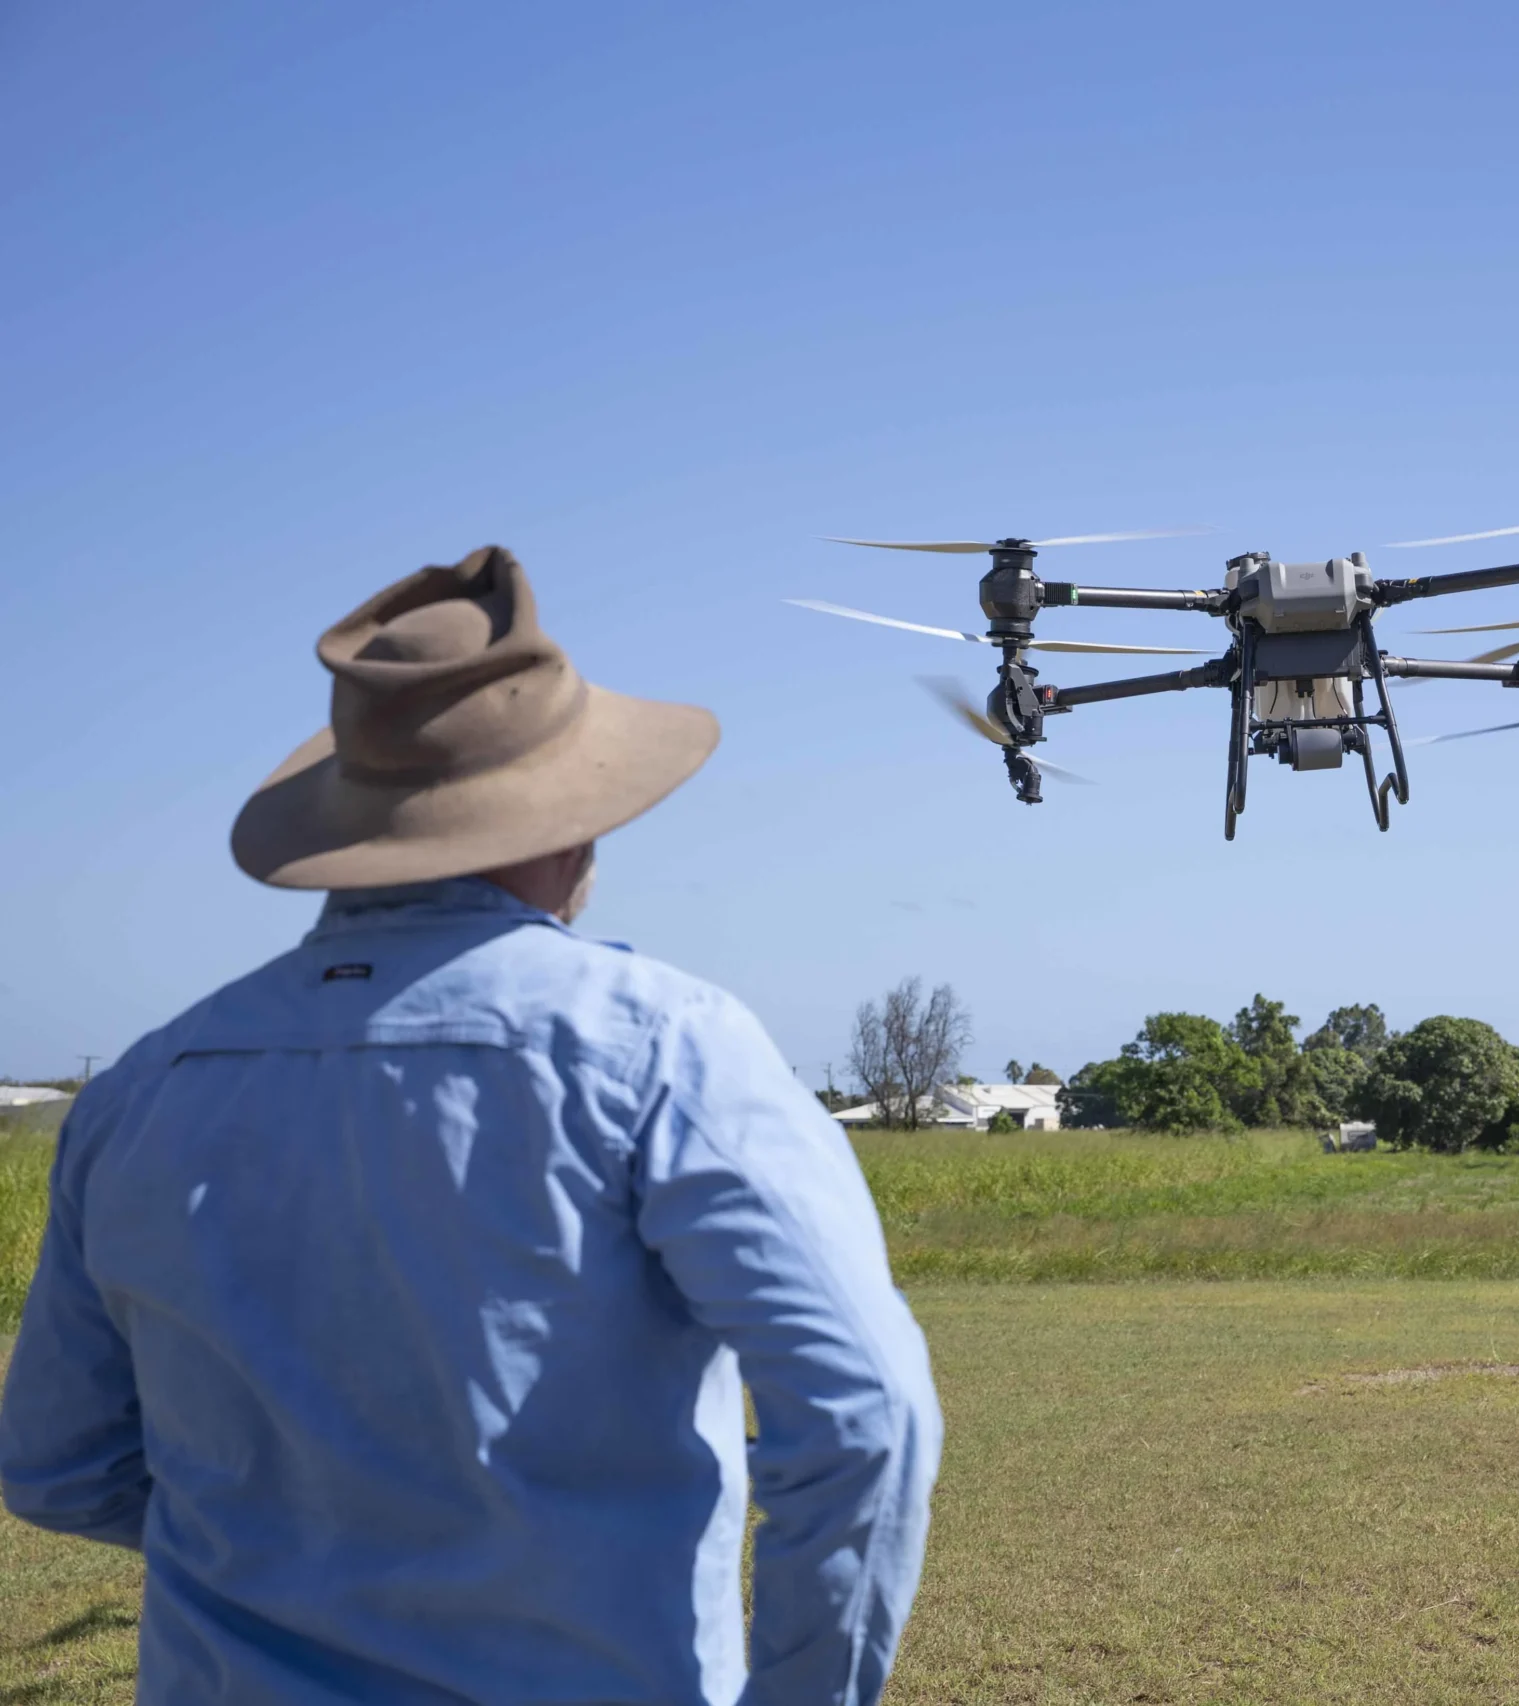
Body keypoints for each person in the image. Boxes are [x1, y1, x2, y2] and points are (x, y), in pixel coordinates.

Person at [0, 547, 941, 1706]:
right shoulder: (663, 1047)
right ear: (572, 820)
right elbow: (864, 1417)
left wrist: (291, 1547)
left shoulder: (143, 1089)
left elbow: (58, 1465)